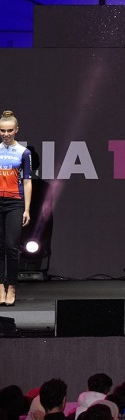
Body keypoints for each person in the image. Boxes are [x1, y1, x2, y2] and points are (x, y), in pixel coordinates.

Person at [0, 110, 32, 306]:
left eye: (9, 130)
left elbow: (27, 181)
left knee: (11, 246)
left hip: (15, 202)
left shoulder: (23, 152)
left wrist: (26, 209)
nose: (6, 134)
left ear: (16, 130)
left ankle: (11, 286)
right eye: (2, 130)